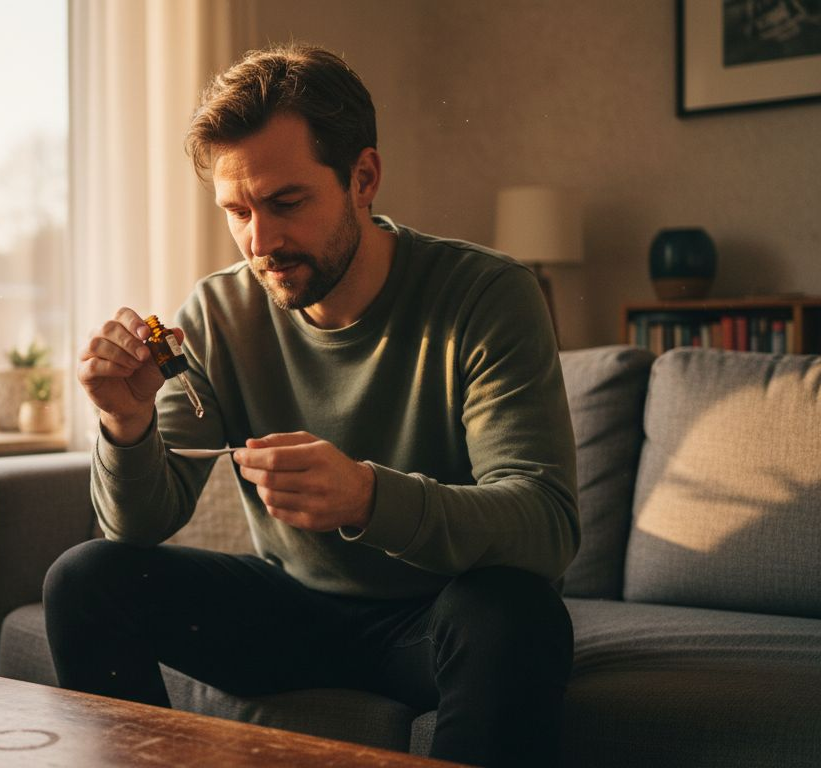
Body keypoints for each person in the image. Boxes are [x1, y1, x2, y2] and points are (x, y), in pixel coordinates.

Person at [45, 43, 578, 768]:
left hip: (440, 619)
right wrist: (125, 423)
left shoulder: (486, 296)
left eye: (286, 203)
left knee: (518, 615)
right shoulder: (218, 312)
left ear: (363, 178)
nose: (260, 242)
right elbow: (140, 522)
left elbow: (545, 525)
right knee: (86, 578)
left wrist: (366, 497)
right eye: (237, 211)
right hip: (292, 612)